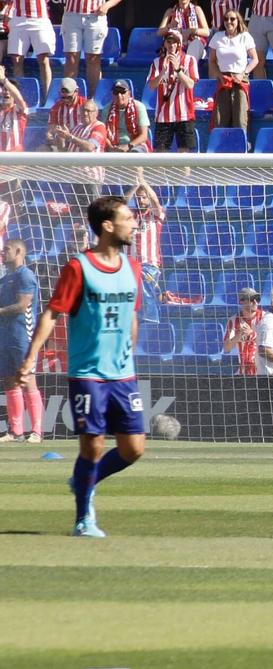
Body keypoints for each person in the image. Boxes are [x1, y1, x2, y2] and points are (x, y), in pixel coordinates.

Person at [17, 196, 145, 536]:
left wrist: (131, 348)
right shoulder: (79, 267)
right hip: (88, 373)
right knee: (93, 445)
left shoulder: (133, 268)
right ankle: (83, 518)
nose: (135, 224)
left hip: (123, 374)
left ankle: (83, 479)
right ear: (107, 225)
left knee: (133, 449)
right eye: (128, 218)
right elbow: (52, 313)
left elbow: (132, 312)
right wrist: (30, 358)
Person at [0, 239, 41, 443]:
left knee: (27, 379)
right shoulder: (4, 278)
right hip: (5, 335)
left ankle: (36, 431)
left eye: (6, 249)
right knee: (9, 380)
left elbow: (23, 305)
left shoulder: (25, 275)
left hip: (22, 334)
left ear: (18, 251)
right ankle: (16, 431)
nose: (2, 252)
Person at [147, 29, 200, 152]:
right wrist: (162, 72)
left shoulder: (189, 60)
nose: (171, 45)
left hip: (184, 115)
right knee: (160, 156)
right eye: (169, 41)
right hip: (163, 116)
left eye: (174, 42)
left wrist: (178, 70)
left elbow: (190, 84)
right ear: (164, 43)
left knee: (184, 158)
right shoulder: (156, 62)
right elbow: (151, 86)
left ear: (179, 44)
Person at [210, 10, 258, 134]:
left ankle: (242, 149)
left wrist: (244, 73)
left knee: (240, 118)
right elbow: (212, 61)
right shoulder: (217, 37)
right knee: (220, 119)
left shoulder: (245, 36)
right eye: (226, 19)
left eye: (232, 19)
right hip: (223, 80)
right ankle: (221, 149)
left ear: (238, 21)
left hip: (240, 80)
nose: (229, 22)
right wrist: (220, 75)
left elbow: (255, 59)